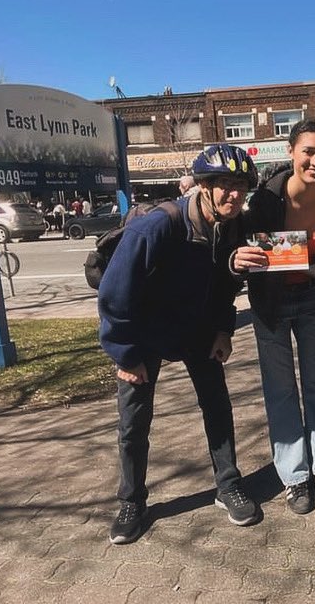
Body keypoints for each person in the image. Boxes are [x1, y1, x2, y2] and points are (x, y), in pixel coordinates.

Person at [98, 144, 261, 545]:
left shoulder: (232, 226)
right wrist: (126, 354)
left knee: (218, 406)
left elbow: (226, 284)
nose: (233, 194)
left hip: (197, 328)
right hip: (144, 332)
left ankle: (228, 484)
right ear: (203, 187)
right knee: (134, 423)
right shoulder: (156, 226)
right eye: (224, 184)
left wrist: (224, 330)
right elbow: (115, 295)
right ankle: (132, 500)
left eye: (240, 186)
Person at [232, 118, 315, 515]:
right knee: (281, 391)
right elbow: (238, 246)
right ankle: (295, 476)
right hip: (271, 305)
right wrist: (237, 260)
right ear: (291, 152)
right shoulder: (265, 198)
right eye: (309, 152)